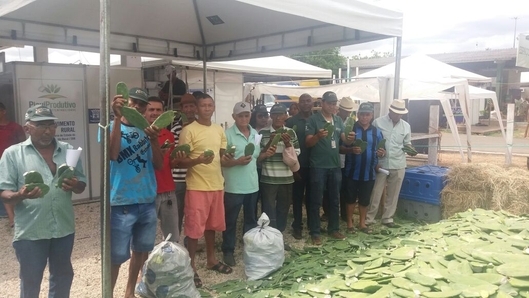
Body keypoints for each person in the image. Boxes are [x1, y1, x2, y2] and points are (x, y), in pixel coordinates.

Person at [0, 105, 86, 298]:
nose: (47, 130)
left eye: (51, 125)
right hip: (31, 231)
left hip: (63, 229)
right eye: (41, 125)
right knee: (31, 280)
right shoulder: (13, 154)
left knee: (63, 276)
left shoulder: (69, 151)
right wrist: (20, 195)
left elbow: (81, 184)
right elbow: (4, 192)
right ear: (27, 128)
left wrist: (74, 184)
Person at [108, 87, 164, 297]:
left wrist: (154, 139)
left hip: (147, 199)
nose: (137, 107)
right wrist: (116, 118)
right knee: (116, 256)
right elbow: (113, 154)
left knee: (141, 250)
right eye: (133, 102)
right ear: (124, 102)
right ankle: (108, 292)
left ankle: (129, 291)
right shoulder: (109, 128)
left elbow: (158, 165)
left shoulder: (147, 130)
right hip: (121, 201)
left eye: (141, 104)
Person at [178, 93, 232, 288]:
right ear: (197, 108)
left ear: (214, 107)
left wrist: (228, 158)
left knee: (211, 227)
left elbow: (222, 156)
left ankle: (211, 259)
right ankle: (190, 266)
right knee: (193, 230)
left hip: (217, 185)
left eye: (210, 105)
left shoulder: (219, 130)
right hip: (197, 187)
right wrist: (197, 160)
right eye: (203, 105)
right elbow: (180, 161)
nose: (207, 108)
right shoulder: (188, 131)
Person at [305, 91, 355, 245]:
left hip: (335, 166)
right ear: (322, 103)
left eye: (334, 104)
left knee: (334, 199)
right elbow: (308, 143)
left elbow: (344, 140)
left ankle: (334, 229)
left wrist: (350, 139)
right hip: (318, 166)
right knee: (315, 200)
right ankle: (315, 231)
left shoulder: (338, 120)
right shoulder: (313, 120)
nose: (333, 106)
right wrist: (317, 137)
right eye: (330, 103)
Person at [220, 102, 260, 266]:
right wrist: (237, 162)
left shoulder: (255, 133)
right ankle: (228, 250)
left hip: (252, 185)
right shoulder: (227, 135)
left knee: (251, 219)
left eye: (246, 115)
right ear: (233, 117)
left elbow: (256, 156)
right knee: (230, 221)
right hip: (233, 187)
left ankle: (249, 247)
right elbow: (222, 162)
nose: (244, 118)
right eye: (240, 115)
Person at [144, 96, 186, 242]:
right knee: (145, 238)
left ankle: (170, 263)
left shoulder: (167, 134)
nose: (155, 113)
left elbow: (169, 164)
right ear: (144, 111)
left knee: (172, 235)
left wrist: (178, 159)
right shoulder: (137, 135)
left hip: (168, 191)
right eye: (151, 109)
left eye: (158, 110)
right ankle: (144, 263)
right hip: (147, 193)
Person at [366, 99, 412, 228]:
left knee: (394, 192)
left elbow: (407, 143)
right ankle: (369, 218)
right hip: (381, 163)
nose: (398, 116)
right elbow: (372, 142)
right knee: (376, 191)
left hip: (398, 163)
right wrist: (376, 154)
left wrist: (410, 149)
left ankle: (387, 218)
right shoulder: (378, 122)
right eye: (396, 113)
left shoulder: (406, 126)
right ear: (390, 110)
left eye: (400, 113)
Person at [258, 104, 300, 239]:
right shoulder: (262, 133)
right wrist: (271, 142)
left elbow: (297, 153)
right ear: (271, 116)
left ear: (285, 116)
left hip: (287, 178)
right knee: (268, 209)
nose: (277, 117)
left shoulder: (291, 133)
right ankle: (268, 236)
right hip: (268, 178)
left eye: (281, 114)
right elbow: (257, 155)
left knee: (283, 209)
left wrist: (288, 144)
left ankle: (279, 235)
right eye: (275, 114)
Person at [343, 102, 384, 234]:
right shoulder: (351, 129)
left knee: (365, 199)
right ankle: (349, 223)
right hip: (352, 171)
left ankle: (362, 223)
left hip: (369, 172)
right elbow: (342, 147)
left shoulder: (377, 132)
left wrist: (382, 153)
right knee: (350, 199)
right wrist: (350, 149)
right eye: (362, 114)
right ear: (358, 115)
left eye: (367, 115)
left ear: (371, 116)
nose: (364, 117)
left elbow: (382, 150)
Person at [285, 94, 312, 239]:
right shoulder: (291, 122)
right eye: (303, 101)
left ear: (312, 103)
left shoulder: (317, 120)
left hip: (314, 165)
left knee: (312, 197)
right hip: (297, 165)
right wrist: (292, 168)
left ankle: (312, 223)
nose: (306, 104)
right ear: (299, 104)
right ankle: (297, 225)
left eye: (308, 101)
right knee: (297, 196)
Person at [170, 94, 196, 233]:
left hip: (196, 176)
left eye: (192, 106)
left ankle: (190, 240)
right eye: (186, 106)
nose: (189, 109)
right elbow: (173, 153)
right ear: (181, 109)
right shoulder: (175, 129)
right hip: (179, 178)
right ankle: (174, 243)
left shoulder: (201, 127)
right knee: (177, 211)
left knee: (193, 212)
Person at [0, 102, 26, 227]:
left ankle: (14, 217)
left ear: (3, 111)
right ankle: (11, 218)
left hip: (12, 162)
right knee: (4, 189)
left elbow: (24, 144)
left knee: (10, 188)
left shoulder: (16, 127)